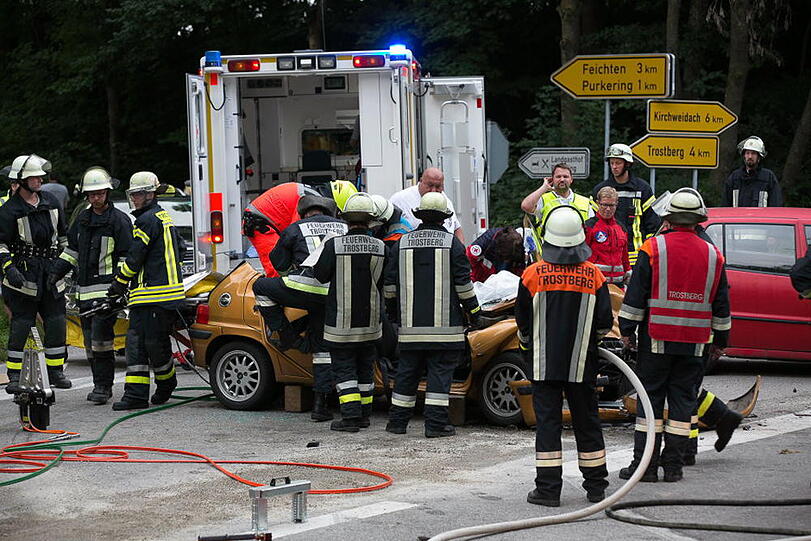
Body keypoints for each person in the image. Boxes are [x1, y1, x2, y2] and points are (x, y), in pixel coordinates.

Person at [618, 188, 731, 483]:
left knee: (650, 403)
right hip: (695, 342)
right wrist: (720, 341)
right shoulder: (714, 255)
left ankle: (645, 467)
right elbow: (721, 304)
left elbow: (635, 296)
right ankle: (673, 467)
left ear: (669, 217)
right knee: (683, 403)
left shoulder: (653, 248)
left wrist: (627, 331)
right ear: (698, 219)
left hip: (656, 339)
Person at [515, 205, 613, 506]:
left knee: (548, 425)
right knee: (587, 422)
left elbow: (523, 325)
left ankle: (548, 490)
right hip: (582, 365)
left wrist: (527, 348)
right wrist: (589, 345)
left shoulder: (532, 275)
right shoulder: (595, 275)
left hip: (543, 366)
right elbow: (604, 323)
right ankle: (596, 487)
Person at [384, 192, 482, 438]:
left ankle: (397, 422)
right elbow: (464, 286)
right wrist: (475, 313)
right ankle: (436, 425)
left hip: (409, 330)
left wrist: (395, 315)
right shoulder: (453, 244)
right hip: (445, 332)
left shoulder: (401, 244)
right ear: (444, 218)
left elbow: (390, 287)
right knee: (439, 375)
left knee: (407, 374)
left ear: (420, 216)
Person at [252, 194, 348, 421]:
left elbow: (279, 263)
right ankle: (320, 405)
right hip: (336, 293)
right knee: (322, 350)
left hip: (304, 288)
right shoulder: (345, 227)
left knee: (261, 287)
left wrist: (292, 276)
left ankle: (287, 335)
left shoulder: (295, 228)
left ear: (304, 213)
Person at [49, 167, 133, 404]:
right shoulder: (83, 220)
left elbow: (127, 256)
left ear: (107, 193)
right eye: (92, 194)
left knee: (101, 342)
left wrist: (118, 286)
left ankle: (103, 387)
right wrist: (55, 272)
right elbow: (72, 251)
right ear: (86, 195)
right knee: (89, 344)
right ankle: (100, 383)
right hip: (84, 294)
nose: (96, 198)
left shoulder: (119, 221)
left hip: (107, 294)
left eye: (100, 194)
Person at [106, 172, 185, 410]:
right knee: (156, 344)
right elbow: (179, 248)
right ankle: (165, 384)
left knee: (137, 345)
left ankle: (136, 396)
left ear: (150, 194)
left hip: (152, 295)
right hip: (166, 295)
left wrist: (119, 283)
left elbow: (135, 257)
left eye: (139, 194)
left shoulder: (146, 221)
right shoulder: (163, 217)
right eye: (133, 195)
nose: (135, 199)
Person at [311, 193, 386, 433]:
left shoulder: (334, 245)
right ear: (370, 220)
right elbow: (385, 282)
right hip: (371, 324)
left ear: (346, 219)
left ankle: (351, 417)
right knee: (365, 369)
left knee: (344, 370)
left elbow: (320, 276)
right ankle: (364, 415)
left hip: (340, 325)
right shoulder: (381, 247)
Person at [0, 154, 71, 393]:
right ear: (21, 181)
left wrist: (65, 265)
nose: (40, 180)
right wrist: (9, 268)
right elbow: (1, 244)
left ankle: (56, 371)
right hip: (24, 275)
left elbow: (63, 237)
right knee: (22, 324)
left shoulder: (51, 202)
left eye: (40, 176)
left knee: (56, 322)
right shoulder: (9, 210)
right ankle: (14, 374)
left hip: (51, 271)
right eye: (34, 177)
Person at [243, 180, 356, 276]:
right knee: (275, 270)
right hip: (261, 224)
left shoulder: (312, 196)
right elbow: (300, 232)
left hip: (269, 221)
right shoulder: (309, 200)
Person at [591, 144, 660, 266]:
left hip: (637, 256)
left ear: (627, 164)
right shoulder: (600, 190)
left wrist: (648, 250)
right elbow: (592, 223)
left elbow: (652, 224)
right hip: (607, 256)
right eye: (612, 163)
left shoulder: (642, 189)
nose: (614, 167)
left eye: (618, 163)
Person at [520, 163, 592, 259]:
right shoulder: (543, 199)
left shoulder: (585, 202)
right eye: (558, 177)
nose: (562, 179)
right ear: (552, 179)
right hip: (550, 256)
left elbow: (592, 231)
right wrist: (544, 188)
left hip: (578, 256)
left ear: (571, 179)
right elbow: (525, 206)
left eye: (565, 176)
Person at [389, 168, 465, 242]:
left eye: (438, 186)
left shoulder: (445, 200)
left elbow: (456, 228)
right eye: (430, 185)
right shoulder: (400, 200)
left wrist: (460, 247)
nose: (433, 190)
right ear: (421, 181)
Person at [585, 186, 631, 286]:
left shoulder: (621, 228)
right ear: (598, 203)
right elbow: (582, 255)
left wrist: (628, 272)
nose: (608, 209)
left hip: (618, 283)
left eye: (612, 205)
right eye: (604, 205)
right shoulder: (589, 226)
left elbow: (624, 256)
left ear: (616, 204)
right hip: (595, 283)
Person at [723, 136, 783, 207]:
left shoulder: (768, 178)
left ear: (759, 157)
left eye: (753, 153)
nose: (750, 156)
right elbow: (725, 206)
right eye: (747, 153)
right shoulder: (734, 178)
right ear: (744, 156)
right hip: (738, 215)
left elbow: (776, 205)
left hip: (761, 215)